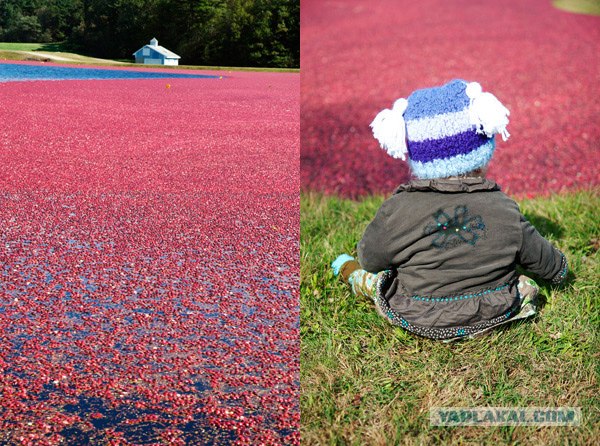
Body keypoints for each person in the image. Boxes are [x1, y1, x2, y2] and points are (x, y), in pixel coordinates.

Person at [332, 79, 568, 341]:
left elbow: (371, 259)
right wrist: (560, 270)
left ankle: (350, 273)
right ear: (482, 155)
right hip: (492, 312)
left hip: (418, 313)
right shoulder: (503, 207)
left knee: (385, 279)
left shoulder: (398, 209)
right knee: (526, 285)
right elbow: (548, 263)